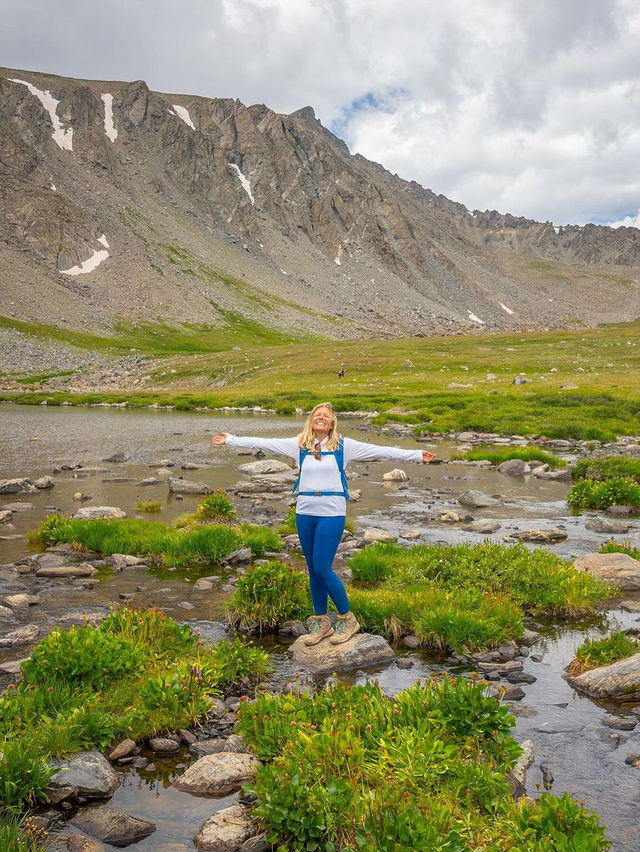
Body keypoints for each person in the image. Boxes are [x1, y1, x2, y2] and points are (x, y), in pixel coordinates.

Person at [212, 402, 434, 646]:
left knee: (322, 567)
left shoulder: (344, 446)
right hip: (305, 512)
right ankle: (321, 623)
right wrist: (231, 439)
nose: (321, 418)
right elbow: (265, 442)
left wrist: (415, 455)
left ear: (332, 423)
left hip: (332, 512)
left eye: (325, 416)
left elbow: (381, 450)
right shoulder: (299, 444)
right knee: (312, 569)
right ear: (311, 420)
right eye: (317, 414)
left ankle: (348, 618)